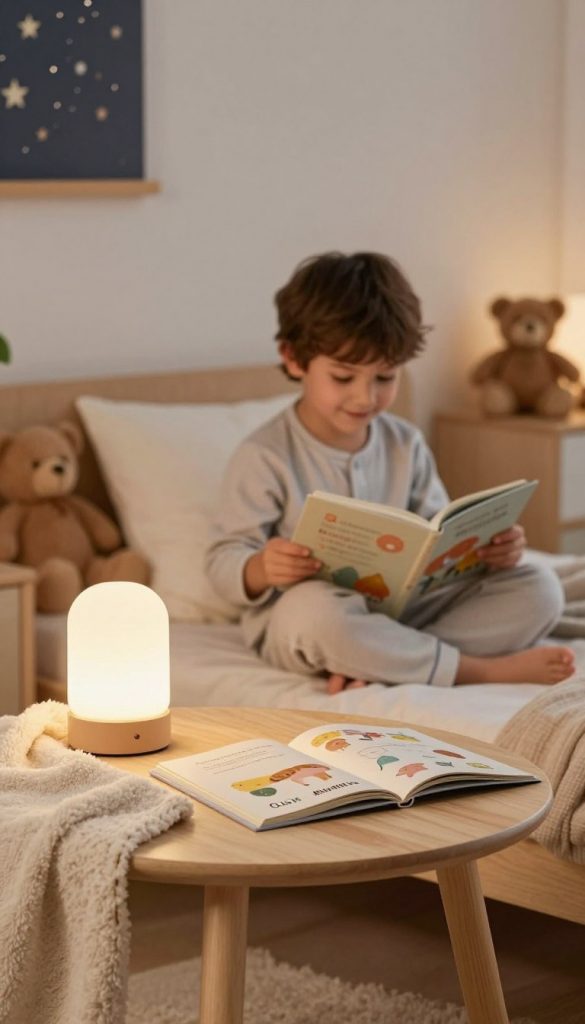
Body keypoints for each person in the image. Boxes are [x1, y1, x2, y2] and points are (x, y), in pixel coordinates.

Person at [205, 251, 574, 691]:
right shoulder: (264, 455)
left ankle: (380, 660)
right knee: (317, 614)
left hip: (407, 610)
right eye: (343, 378)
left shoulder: (405, 442)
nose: (365, 398)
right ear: (293, 359)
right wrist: (262, 567)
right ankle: (473, 670)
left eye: (385, 378)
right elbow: (221, 563)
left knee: (541, 589)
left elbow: (438, 531)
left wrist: (488, 552)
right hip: (311, 616)